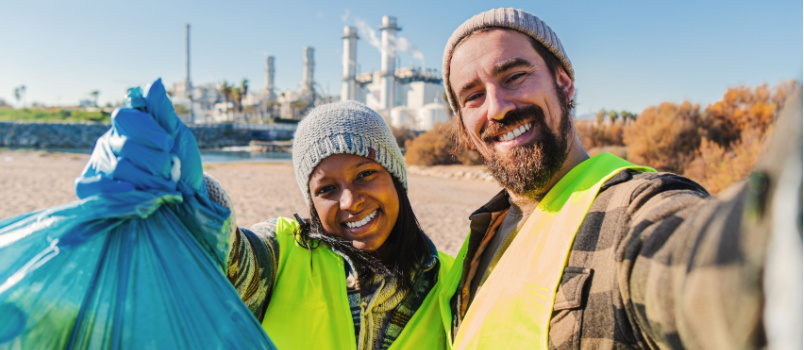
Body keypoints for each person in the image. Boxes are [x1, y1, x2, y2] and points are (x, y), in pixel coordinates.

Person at [437, 7, 801, 349]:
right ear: (465, 130)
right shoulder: (478, 241)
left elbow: (692, 261)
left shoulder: (628, 212)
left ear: (563, 84)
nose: (497, 106)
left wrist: (773, 233)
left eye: (514, 77)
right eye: (473, 97)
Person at [211, 101, 454, 349]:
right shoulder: (280, 254)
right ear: (313, 203)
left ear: (395, 177)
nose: (350, 202)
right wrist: (200, 203)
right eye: (327, 189)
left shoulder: (453, 280)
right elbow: (229, 260)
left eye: (365, 174)